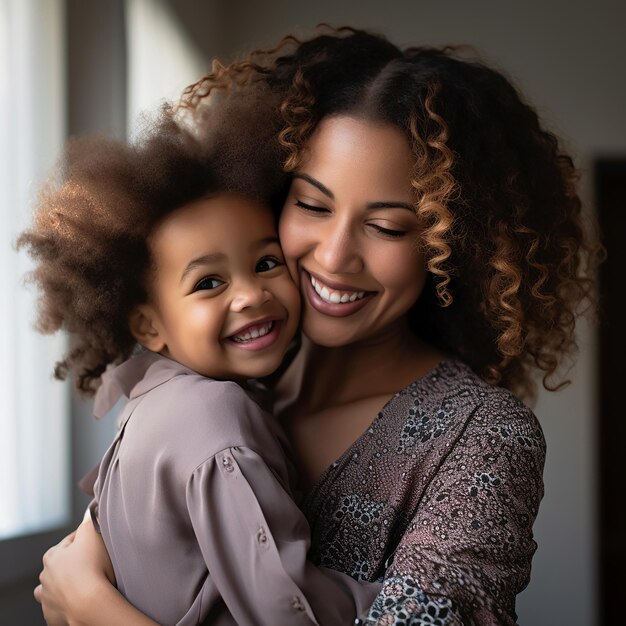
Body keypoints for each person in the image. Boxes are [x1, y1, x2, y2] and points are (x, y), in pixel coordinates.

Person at [34, 26, 602, 626]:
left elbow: (87, 596)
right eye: (312, 204)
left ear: (450, 245)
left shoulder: (481, 438)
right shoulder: (207, 386)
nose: (333, 257)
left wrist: (98, 611)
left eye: (386, 227)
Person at [19, 112, 381, 625]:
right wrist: (397, 602)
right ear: (148, 326)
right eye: (209, 283)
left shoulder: (146, 400)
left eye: (265, 263)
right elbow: (287, 607)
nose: (252, 295)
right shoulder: (217, 416)